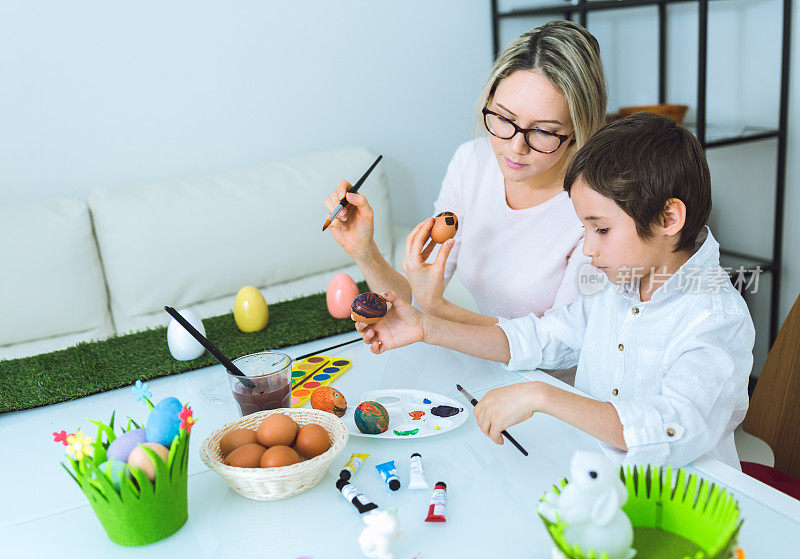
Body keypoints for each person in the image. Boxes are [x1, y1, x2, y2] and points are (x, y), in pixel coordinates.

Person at [356, 113, 755, 469]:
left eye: (601, 229)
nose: (587, 247)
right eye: (584, 228)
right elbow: (538, 338)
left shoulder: (716, 318)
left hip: (683, 504)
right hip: (593, 476)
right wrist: (425, 327)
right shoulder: (616, 287)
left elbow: (675, 428)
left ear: (669, 217)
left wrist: (543, 396)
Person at [324, 20, 607, 326]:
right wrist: (365, 250)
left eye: (542, 131)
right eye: (503, 118)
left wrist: (439, 309)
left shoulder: (596, 207)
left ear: (578, 131)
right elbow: (411, 300)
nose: (515, 147)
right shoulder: (471, 163)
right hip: (487, 366)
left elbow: (561, 343)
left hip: (548, 375)